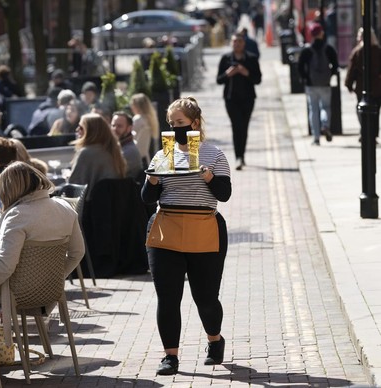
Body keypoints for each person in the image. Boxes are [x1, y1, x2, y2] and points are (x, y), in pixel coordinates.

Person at [142, 96, 231, 375]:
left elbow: (224, 194)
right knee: (167, 298)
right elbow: (147, 198)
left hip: (204, 227)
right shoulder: (163, 155)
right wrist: (153, 179)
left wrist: (208, 177)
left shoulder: (214, 154)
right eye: (171, 124)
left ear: (194, 123)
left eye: (179, 123)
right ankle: (171, 356)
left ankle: (214, 340)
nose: (174, 128)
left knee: (205, 297)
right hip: (166, 228)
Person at [0, 161, 85, 305]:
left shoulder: (17, 216)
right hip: (50, 290)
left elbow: (5, 266)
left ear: (9, 189)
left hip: (14, 294)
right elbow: (77, 253)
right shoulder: (65, 208)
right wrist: (56, 279)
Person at [216, 31, 262, 170]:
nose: (237, 44)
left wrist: (246, 72)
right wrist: (228, 74)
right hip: (231, 99)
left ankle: (242, 155)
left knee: (244, 127)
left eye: (239, 42)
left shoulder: (251, 59)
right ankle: (238, 157)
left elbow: (258, 79)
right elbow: (219, 80)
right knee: (237, 126)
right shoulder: (226, 59)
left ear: (244, 44)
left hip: (248, 99)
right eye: (234, 41)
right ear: (231, 43)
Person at [298, 23, 338, 146]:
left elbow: (300, 67)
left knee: (313, 110)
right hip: (325, 84)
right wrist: (329, 75)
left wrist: (305, 78)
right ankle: (325, 125)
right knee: (325, 107)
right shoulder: (329, 49)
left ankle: (316, 138)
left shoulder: (306, 50)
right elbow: (335, 66)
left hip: (311, 85)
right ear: (321, 33)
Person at [69, 113, 126, 198]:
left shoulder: (86, 153)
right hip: (113, 204)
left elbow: (73, 186)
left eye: (81, 127)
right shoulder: (113, 150)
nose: (77, 130)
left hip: (91, 206)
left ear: (90, 131)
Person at [344, 27, 381, 142]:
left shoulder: (358, 51)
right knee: (375, 112)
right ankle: (373, 134)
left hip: (362, 87)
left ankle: (365, 132)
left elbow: (352, 70)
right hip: (376, 88)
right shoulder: (378, 50)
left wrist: (349, 84)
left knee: (362, 111)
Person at [111, 111, 143, 180]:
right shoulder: (118, 146)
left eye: (119, 126)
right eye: (113, 125)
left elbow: (111, 174)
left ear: (129, 128)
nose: (115, 129)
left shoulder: (129, 151)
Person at [130, 93, 159, 166]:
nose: (131, 107)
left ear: (137, 106)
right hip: (145, 158)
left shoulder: (137, 119)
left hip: (136, 157)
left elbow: (132, 138)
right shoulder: (149, 119)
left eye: (133, 105)